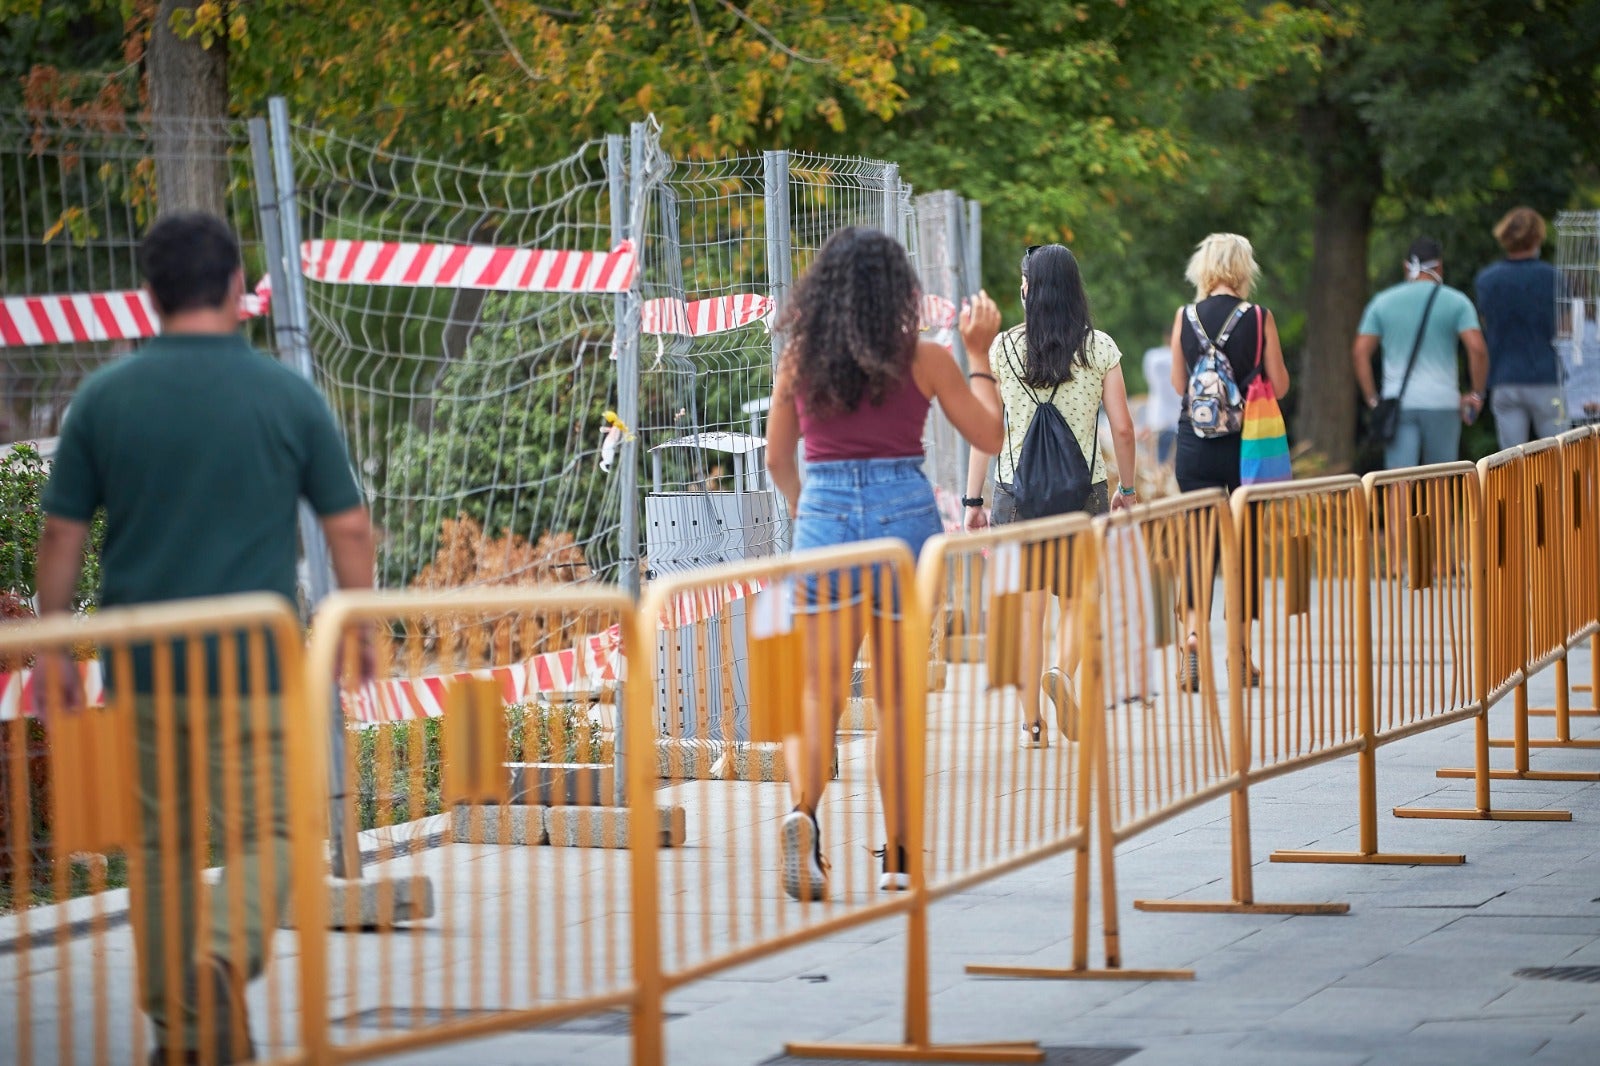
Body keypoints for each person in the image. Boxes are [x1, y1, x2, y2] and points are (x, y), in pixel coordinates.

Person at [30, 212, 375, 1064]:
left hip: (143, 668)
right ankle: (224, 955)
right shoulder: (283, 393)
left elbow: (60, 537)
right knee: (273, 834)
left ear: (150, 296)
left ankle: (183, 1032)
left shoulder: (105, 400)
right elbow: (350, 527)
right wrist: (358, 622)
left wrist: (49, 649)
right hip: (252, 663)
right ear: (233, 290)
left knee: (161, 848)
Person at [765, 225, 1003, 902]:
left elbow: (779, 460)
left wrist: (808, 513)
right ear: (899, 290)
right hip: (905, 518)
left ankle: (802, 816)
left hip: (826, 516)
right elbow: (988, 432)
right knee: (897, 704)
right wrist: (979, 354)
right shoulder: (925, 358)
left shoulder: (799, 364)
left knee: (820, 693)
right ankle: (898, 856)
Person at [962, 244, 1139, 747]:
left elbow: (988, 432)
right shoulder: (1100, 348)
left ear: (1027, 289)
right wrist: (1126, 488)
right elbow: (1123, 429)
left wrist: (972, 502)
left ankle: (1032, 723)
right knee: (1081, 599)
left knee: (1027, 609)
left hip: (1015, 496)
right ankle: (1061, 670)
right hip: (1081, 496)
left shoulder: (1002, 350)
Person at [1169, 233, 1290, 689]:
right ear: (1244, 269)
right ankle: (1240, 654)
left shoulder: (1184, 317)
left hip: (1195, 447)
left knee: (1198, 546)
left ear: (1204, 268)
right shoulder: (1259, 317)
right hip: (1248, 448)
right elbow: (1278, 384)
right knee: (1243, 549)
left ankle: (1192, 640)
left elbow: (1180, 383)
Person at [1352, 236, 1489, 469]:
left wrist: (1373, 399)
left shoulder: (1382, 302)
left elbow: (1359, 352)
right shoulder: (1457, 302)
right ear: (1440, 266)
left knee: (1399, 482)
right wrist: (1476, 393)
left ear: (1406, 266)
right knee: (1441, 481)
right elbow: (1476, 348)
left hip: (1399, 402)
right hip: (1442, 402)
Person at [1475, 207, 1563, 446]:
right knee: (1557, 455)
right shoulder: (1553, 277)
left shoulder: (1487, 280)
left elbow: (1485, 325)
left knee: (1511, 461)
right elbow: (1566, 329)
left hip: (1505, 377)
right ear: (1537, 237)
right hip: (1547, 377)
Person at [1142, 340, 1180, 466]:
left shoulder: (1153, 357)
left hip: (1159, 421)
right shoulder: (1180, 359)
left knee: (1159, 467)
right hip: (1179, 422)